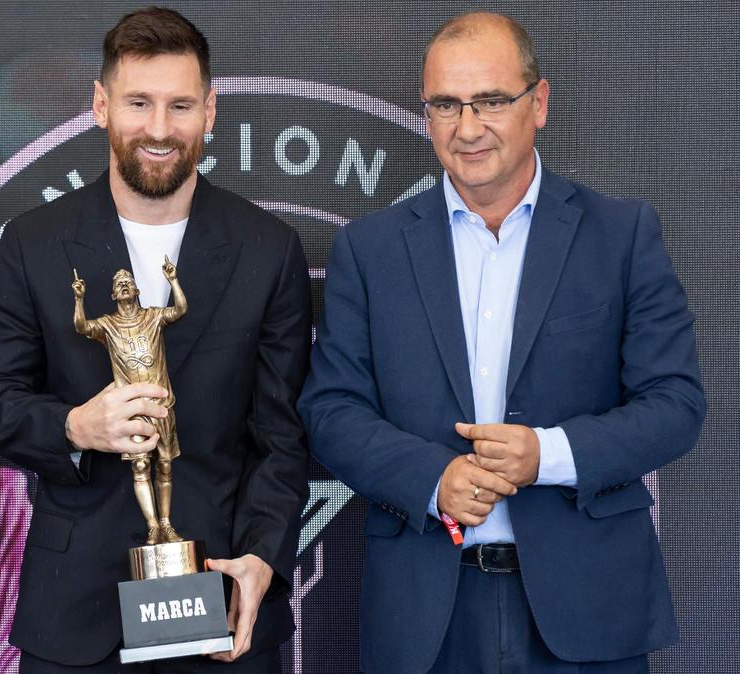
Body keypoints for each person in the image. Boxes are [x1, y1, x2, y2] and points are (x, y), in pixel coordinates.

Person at [298, 11, 706, 674]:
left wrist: (546, 454)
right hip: (426, 614)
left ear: (538, 102)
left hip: (587, 609)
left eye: (490, 101)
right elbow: (330, 412)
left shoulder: (620, 235)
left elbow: (676, 404)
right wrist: (434, 480)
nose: (467, 127)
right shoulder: (368, 251)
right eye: (445, 105)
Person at [0, 7, 311, 672]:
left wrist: (262, 558)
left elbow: (283, 437)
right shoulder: (33, 245)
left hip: (222, 608)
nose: (159, 129)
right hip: (75, 618)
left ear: (210, 110)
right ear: (100, 105)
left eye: (180, 105)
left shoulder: (269, 251)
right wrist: (74, 424)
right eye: (138, 103)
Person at [72, 265, 187, 545]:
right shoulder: (108, 326)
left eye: (128, 281)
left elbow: (180, 309)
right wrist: (79, 299)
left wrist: (173, 280)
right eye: (119, 283)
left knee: (166, 466)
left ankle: (166, 523)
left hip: (161, 405)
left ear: (136, 290)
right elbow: (82, 326)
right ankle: (152, 526)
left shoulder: (153, 317)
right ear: (113, 294)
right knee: (139, 467)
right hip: (132, 411)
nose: (124, 285)